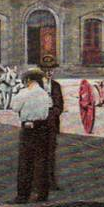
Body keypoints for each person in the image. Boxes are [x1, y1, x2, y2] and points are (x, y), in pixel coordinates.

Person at [11, 69, 52, 203]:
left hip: (28, 129)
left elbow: (14, 107)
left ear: (28, 80)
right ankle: (42, 195)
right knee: (41, 162)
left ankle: (23, 195)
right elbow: (49, 108)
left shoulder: (24, 93)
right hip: (43, 129)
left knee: (25, 162)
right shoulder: (45, 94)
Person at [39, 54, 64, 191]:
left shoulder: (56, 86)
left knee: (51, 153)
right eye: (46, 69)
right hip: (39, 123)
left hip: (52, 122)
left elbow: (60, 104)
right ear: (41, 70)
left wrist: (54, 112)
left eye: (51, 70)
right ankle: (38, 182)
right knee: (39, 153)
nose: (49, 72)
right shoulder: (36, 86)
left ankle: (51, 181)